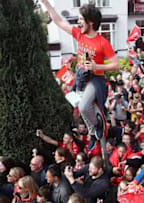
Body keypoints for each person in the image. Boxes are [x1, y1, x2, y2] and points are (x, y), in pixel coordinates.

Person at [42, 0, 120, 150]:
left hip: (95, 78)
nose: (78, 22)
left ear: (90, 22)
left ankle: (96, 128)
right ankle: (92, 131)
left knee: (84, 106)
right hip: (80, 76)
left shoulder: (103, 42)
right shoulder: (79, 34)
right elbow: (58, 21)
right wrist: (46, 4)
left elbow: (116, 64)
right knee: (75, 103)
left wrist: (97, 66)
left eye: (80, 19)